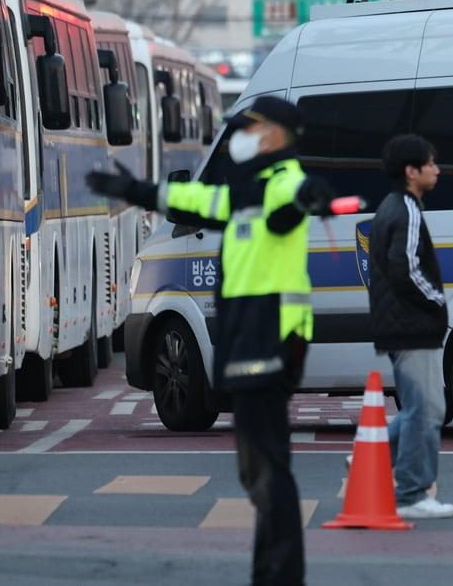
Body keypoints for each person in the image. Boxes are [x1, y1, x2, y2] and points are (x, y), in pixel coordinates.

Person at [86, 96, 336, 586]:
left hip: (274, 335)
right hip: (245, 335)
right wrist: (133, 189)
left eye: (251, 128)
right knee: (255, 468)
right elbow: (192, 202)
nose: (242, 137)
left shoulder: (283, 183)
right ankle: (270, 571)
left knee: (268, 466)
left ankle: (281, 576)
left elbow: (299, 195)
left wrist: (312, 197)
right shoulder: (243, 191)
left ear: (274, 135)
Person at [366, 134, 453, 519]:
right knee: (428, 409)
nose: (437, 169)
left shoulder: (392, 207)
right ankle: (413, 494)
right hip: (412, 324)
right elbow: (406, 267)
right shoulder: (406, 210)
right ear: (411, 171)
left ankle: (371, 458)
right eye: (431, 163)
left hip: (400, 324)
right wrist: (438, 301)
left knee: (423, 405)